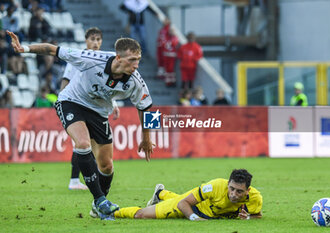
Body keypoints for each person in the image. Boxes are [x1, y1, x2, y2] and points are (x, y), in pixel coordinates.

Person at [7, 30, 155, 218]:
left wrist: (147, 138)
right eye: (132, 60)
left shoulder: (136, 81)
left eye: (138, 60)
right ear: (118, 57)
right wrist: (24, 48)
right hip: (71, 102)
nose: (136, 65)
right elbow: (53, 50)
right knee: (83, 144)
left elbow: (147, 107)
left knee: (107, 166)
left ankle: (97, 206)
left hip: (99, 112)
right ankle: (100, 199)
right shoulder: (92, 59)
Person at [60, 27, 118, 191]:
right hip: (76, 106)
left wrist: (114, 104)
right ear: (86, 40)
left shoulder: (105, 60)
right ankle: (74, 180)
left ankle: (83, 181)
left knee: (90, 147)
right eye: (92, 39)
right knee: (82, 144)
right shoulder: (78, 57)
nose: (96, 43)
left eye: (98, 39)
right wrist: (64, 104)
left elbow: (104, 88)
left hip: (95, 109)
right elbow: (65, 82)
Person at [106, 169, 262, 221]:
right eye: (231, 189)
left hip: (204, 211)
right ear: (227, 184)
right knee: (142, 215)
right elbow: (183, 203)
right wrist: (195, 218)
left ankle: (160, 193)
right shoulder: (214, 186)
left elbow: (258, 215)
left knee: (177, 198)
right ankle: (110, 212)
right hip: (192, 208)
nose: (234, 194)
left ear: (248, 191)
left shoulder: (255, 198)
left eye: (239, 191)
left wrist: (248, 217)